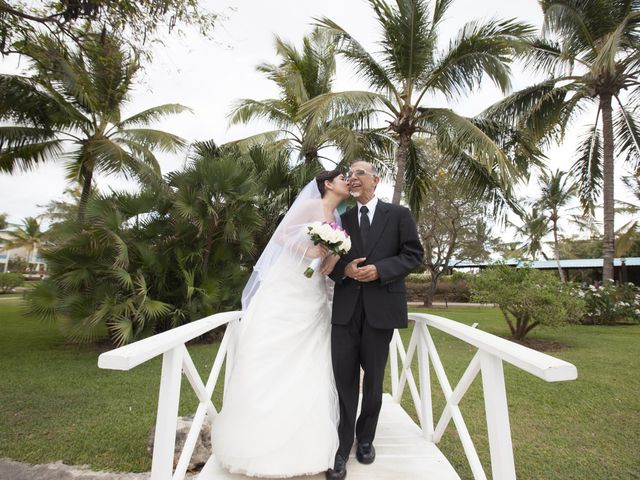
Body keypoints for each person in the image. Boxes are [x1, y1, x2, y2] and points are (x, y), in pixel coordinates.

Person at [210, 170, 350, 477]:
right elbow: (283, 235)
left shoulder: (338, 219)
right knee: (273, 354)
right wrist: (309, 250)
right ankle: (257, 440)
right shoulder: (311, 206)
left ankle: (305, 444)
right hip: (287, 286)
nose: (347, 181)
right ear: (327, 184)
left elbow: (329, 259)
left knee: (310, 361)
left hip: (311, 292)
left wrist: (329, 260)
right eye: (342, 177)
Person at [325, 161, 423, 480]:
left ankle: (365, 440)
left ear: (375, 180)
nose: (352, 178)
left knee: (374, 381)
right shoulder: (341, 219)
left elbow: (413, 256)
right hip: (345, 311)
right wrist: (346, 271)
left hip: (382, 310)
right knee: (344, 381)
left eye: (359, 174)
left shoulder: (399, 215)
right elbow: (330, 263)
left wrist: (381, 270)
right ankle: (342, 448)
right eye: (349, 174)